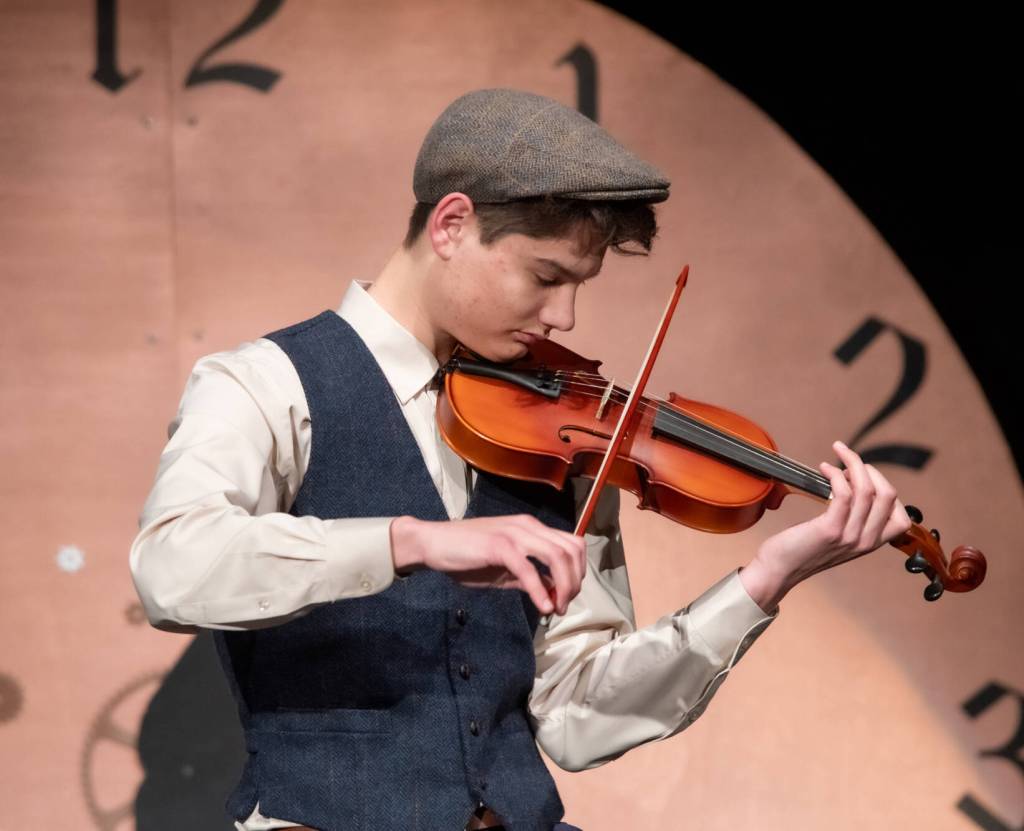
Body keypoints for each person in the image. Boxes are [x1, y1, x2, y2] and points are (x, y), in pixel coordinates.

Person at [129, 88, 912, 831]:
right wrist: (414, 540)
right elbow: (172, 565)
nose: (563, 316)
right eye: (546, 276)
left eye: (580, 285)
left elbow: (575, 715)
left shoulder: (561, 433)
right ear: (452, 224)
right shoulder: (265, 384)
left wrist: (766, 579)